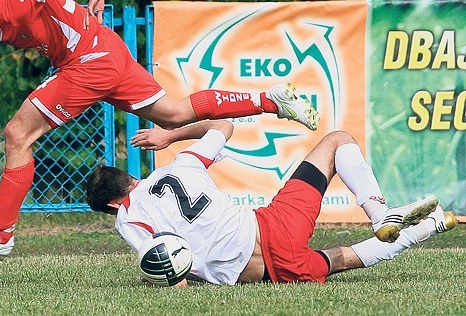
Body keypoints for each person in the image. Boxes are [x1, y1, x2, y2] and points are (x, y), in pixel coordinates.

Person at [0, 0, 319, 256]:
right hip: (103, 53)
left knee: (17, 133)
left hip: (88, 61)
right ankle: (270, 99)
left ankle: (0, 235)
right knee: (173, 113)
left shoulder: (10, 5)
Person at [85, 120, 458, 285]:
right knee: (337, 140)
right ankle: (380, 213)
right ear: (131, 179)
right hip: (273, 224)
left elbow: (165, 266)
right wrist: (170, 135)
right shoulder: (183, 163)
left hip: (261, 273)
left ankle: (431, 226)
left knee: (341, 259)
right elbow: (223, 126)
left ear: (114, 205)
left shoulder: (128, 217)